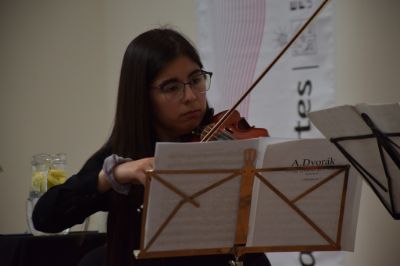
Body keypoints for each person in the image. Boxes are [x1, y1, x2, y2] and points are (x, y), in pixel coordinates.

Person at [32, 27, 271, 266]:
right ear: (142, 96)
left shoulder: (228, 141)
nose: (190, 96)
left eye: (196, 80)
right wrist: (114, 174)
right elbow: (45, 217)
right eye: (172, 87)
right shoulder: (124, 155)